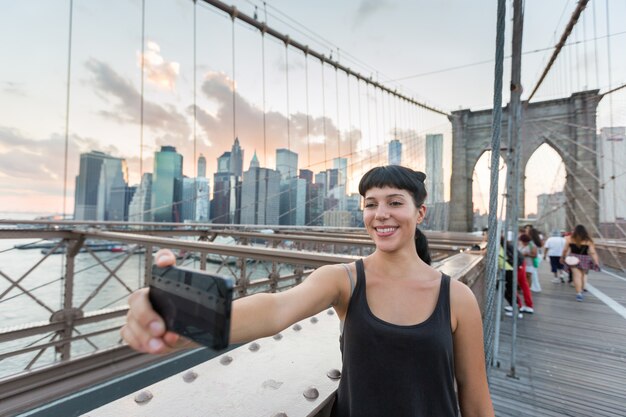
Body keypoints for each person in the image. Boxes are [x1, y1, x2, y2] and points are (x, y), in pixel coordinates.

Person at [121, 165, 494, 417]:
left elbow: (475, 400)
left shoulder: (456, 298)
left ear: (420, 213)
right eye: (370, 204)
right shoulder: (343, 280)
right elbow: (275, 310)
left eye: (395, 203)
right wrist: (182, 318)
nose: (381, 214)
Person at [561, 224, 600, 302]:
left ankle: (579, 293)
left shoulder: (569, 239)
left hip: (573, 258)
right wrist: (596, 262)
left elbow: (565, 250)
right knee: (582, 275)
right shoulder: (588, 240)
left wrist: (562, 257)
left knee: (576, 276)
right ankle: (581, 289)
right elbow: (592, 252)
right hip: (585, 259)